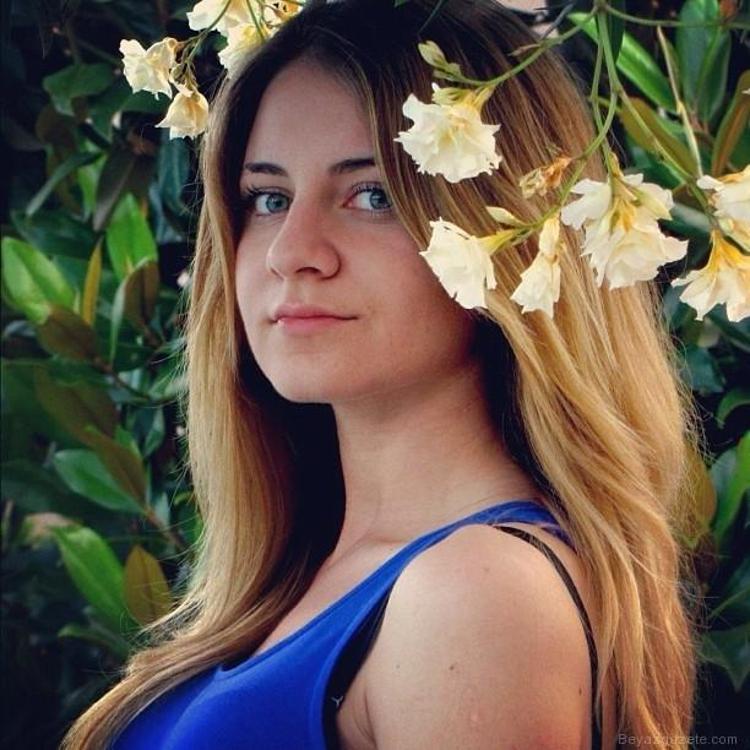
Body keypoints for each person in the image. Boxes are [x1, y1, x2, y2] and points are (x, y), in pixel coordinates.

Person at [62, 0, 704, 747]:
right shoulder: (315, 574)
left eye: (373, 196)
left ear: (512, 235)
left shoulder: (475, 593)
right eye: (268, 199)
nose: (291, 251)